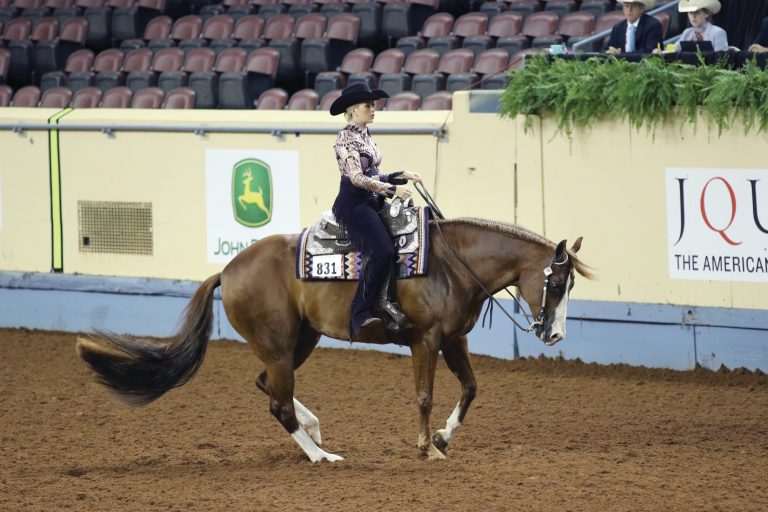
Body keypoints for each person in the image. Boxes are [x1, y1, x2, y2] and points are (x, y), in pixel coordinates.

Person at [329, 83, 422, 338]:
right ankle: (361, 312)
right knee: (382, 250)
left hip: (370, 200)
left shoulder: (365, 135)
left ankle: (390, 300)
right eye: (368, 105)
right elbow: (357, 178)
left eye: (373, 105)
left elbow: (373, 173)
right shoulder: (345, 138)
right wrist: (392, 190)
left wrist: (399, 175)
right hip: (353, 204)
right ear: (353, 110)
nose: (373, 109)